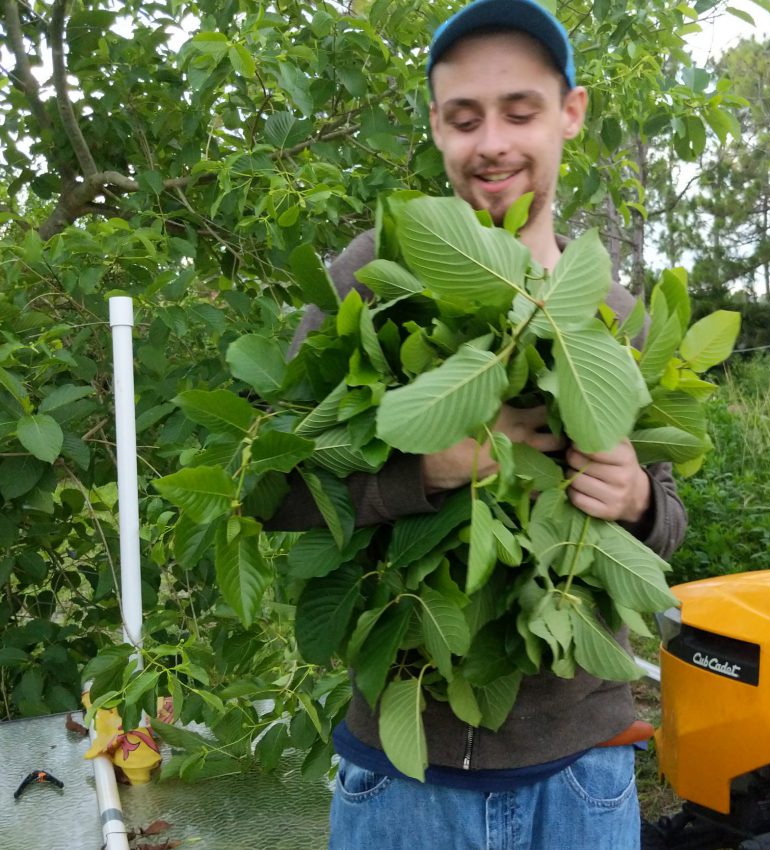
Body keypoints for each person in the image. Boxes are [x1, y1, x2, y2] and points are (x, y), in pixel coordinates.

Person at [266, 1, 687, 847]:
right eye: (465, 119)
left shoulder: (614, 316)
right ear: (436, 129)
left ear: (570, 114)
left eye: (519, 111)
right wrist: (426, 471)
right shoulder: (374, 275)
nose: (491, 141)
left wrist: (637, 498)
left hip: (582, 777)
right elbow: (276, 489)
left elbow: (667, 527)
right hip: (404, 782)